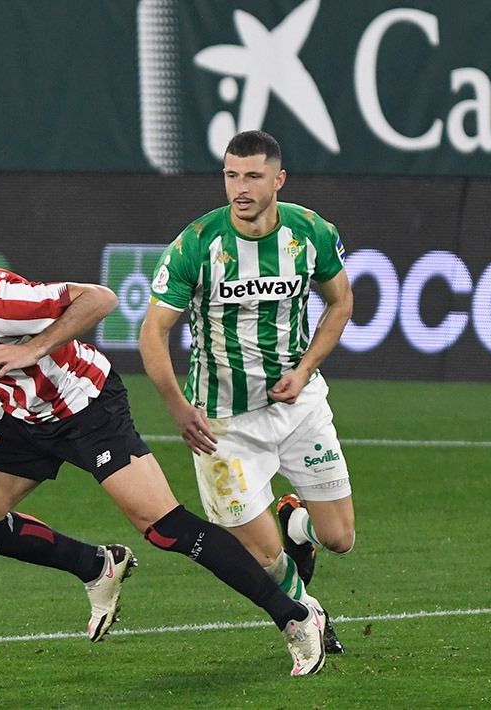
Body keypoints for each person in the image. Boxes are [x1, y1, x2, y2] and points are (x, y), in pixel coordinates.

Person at [0, 220, 326, 676]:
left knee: (163, 526)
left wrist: (34, 348)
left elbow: (101, 298)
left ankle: (294, 615)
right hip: (25, 417)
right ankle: (97, 565)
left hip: (85, 403)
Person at [139, 130, 354, 654]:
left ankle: (295, 520)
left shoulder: (310, 234)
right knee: (262, 554)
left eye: (253, 176)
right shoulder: (196, 245)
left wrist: (304, 372)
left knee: (340, 538)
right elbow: (152, 332)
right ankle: (307, 616)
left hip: (299, 408)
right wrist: (176, 404)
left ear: (277, 179)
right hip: (223, 424)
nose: (240, 187)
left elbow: (341, 302)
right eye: (232, 175)